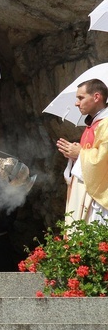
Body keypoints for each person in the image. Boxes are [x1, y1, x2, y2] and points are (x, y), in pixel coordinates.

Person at [56, 78, 108, 225]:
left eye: (81, 98)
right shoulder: (93, 124)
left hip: (98, 199)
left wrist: (80, 154)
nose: (76, 103)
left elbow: (104, 159)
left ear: (96, 97)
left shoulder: (106, 124)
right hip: (85, 193)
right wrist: (73, 156)